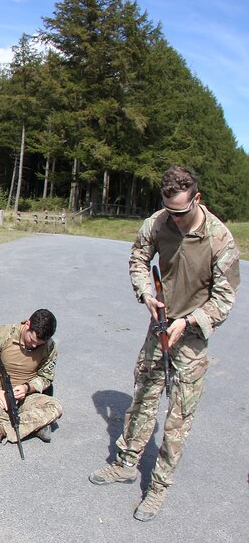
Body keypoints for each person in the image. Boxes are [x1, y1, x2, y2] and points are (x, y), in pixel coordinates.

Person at [89, 165, 240, 522]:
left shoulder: (220, 239)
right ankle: (126, 463)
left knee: (178, 416)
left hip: (191, 335)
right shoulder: (157, 222)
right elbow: (139, 258)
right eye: (169, 211)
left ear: (197, 199)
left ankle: (158, 487)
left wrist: (188, 321)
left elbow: (225, 298)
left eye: (181, 212)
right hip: (159, 326)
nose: (175, 219)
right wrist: (146, 293)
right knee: (143, 398)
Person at [0, 309, 62, 448]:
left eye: (39, 344)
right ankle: (34, 425)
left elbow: (46, 377)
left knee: (54, 407)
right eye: (31, 340)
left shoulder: (49, 347)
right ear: (27, 324)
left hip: (27, 397)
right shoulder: (4, 334)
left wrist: (27, 388)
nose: (33, 346)